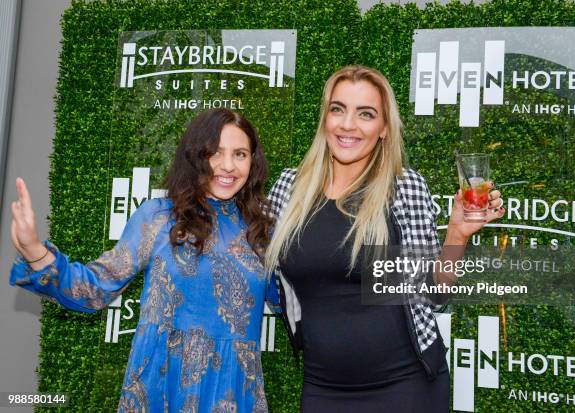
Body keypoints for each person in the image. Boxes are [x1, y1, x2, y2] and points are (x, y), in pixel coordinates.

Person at [265, 65, 504, 412]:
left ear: (384, 129)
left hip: (406, 386)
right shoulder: (288, 189)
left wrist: (456, 235)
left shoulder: (404, 187)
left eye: (366, 114)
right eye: (338, 109)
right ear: (325, 119)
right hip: (321, 388)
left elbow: (435, 295)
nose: (348, 124)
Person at [9, 108, 274, 412]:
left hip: (235, 392)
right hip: (161, 388)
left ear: (253, 162)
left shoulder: (261, 232)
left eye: (240, 154)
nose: (227, 165)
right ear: (195, 156)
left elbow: (294, 302)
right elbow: (94, 289)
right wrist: (34, 251)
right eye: (215, 152)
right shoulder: (159, 217)